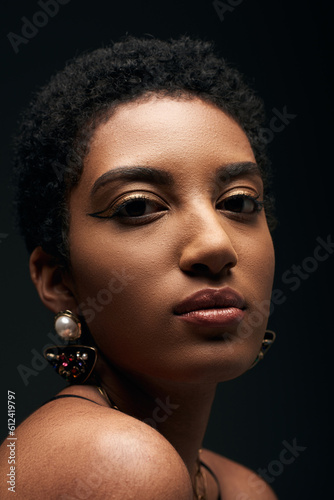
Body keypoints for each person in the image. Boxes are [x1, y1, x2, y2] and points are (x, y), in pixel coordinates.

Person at [0, 35, 278, 499]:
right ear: (58, 279)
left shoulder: (242, 488)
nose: (216, 244)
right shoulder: (116, 463)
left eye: (239, 201)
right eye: (136, 207)